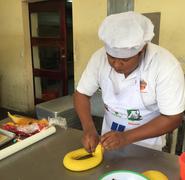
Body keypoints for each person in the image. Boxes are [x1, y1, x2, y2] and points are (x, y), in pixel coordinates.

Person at [73, 11, 185, 152]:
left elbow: (173, 118)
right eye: (111, 57)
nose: (116, 65)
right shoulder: (98, 58)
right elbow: (81, 94)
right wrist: (89, 129)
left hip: (148, 147)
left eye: (125, 60)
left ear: (142, 50)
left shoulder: (164, 65)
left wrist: (125, 137)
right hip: (107, 142)